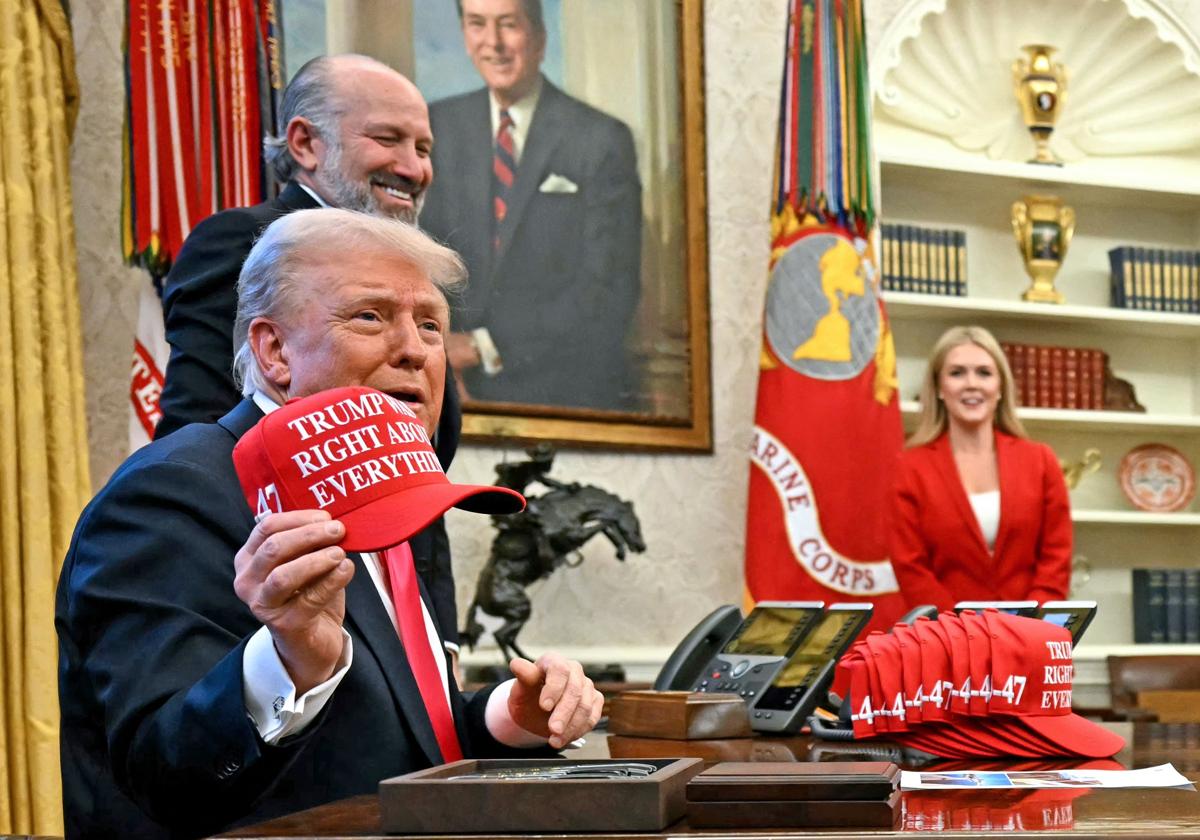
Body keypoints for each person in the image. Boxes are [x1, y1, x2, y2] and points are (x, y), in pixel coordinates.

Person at [56, 209, 604, 839]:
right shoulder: (173, 490)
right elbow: (160, 774)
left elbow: (405, 736)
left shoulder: (391, 494)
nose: (414, 351)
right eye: (370, 317)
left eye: (431, 325)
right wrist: (291, 663)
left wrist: (510, 717)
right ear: (274, 351)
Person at [154, 53, 463, 647]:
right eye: (388, 139)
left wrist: (435, 632)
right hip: (274, 616)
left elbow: (420, 476)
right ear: (304, 143)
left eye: (424, 149)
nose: (413, 168)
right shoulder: (246, 243)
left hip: (404, 614)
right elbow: (198, 436)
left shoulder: (409, 273)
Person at [420, 0, 643, 410]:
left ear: (539, 38)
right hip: (449, 391)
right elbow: (424, 260)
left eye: (508, 25)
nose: (494, 43)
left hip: (566, 394)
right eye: (477, 24)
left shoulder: (601, 139)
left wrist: (485, 346)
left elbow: (609, 290)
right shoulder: (438, 127)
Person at [888, 325, 1072, 611]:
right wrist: (962, 634)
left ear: (1000, 387)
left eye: (984, 373)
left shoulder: (1041, 461)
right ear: (938, 387)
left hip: (1027, 637)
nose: (971, 383)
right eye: (957, 373)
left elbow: (1056, 558)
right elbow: (910, 567)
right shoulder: (909, 468)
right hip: (945, 640)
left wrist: (1026, 627)